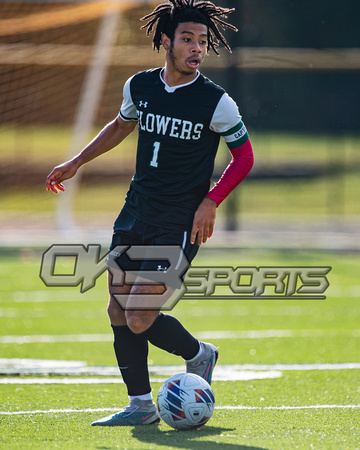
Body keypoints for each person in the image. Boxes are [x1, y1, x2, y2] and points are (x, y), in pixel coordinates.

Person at [46, 0, 254, 427]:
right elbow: (122, 125)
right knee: (118, 310)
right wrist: (77, 162)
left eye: (202, 41)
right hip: (136, 210)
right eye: (187, 39)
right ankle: (140, 406)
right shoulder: (140, 86)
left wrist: (211, 200)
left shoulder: (216, 102)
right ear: (166, 41)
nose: (197, 48)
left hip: (178, 221)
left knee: (141, 315)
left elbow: (244, 157)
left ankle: (199, 355)